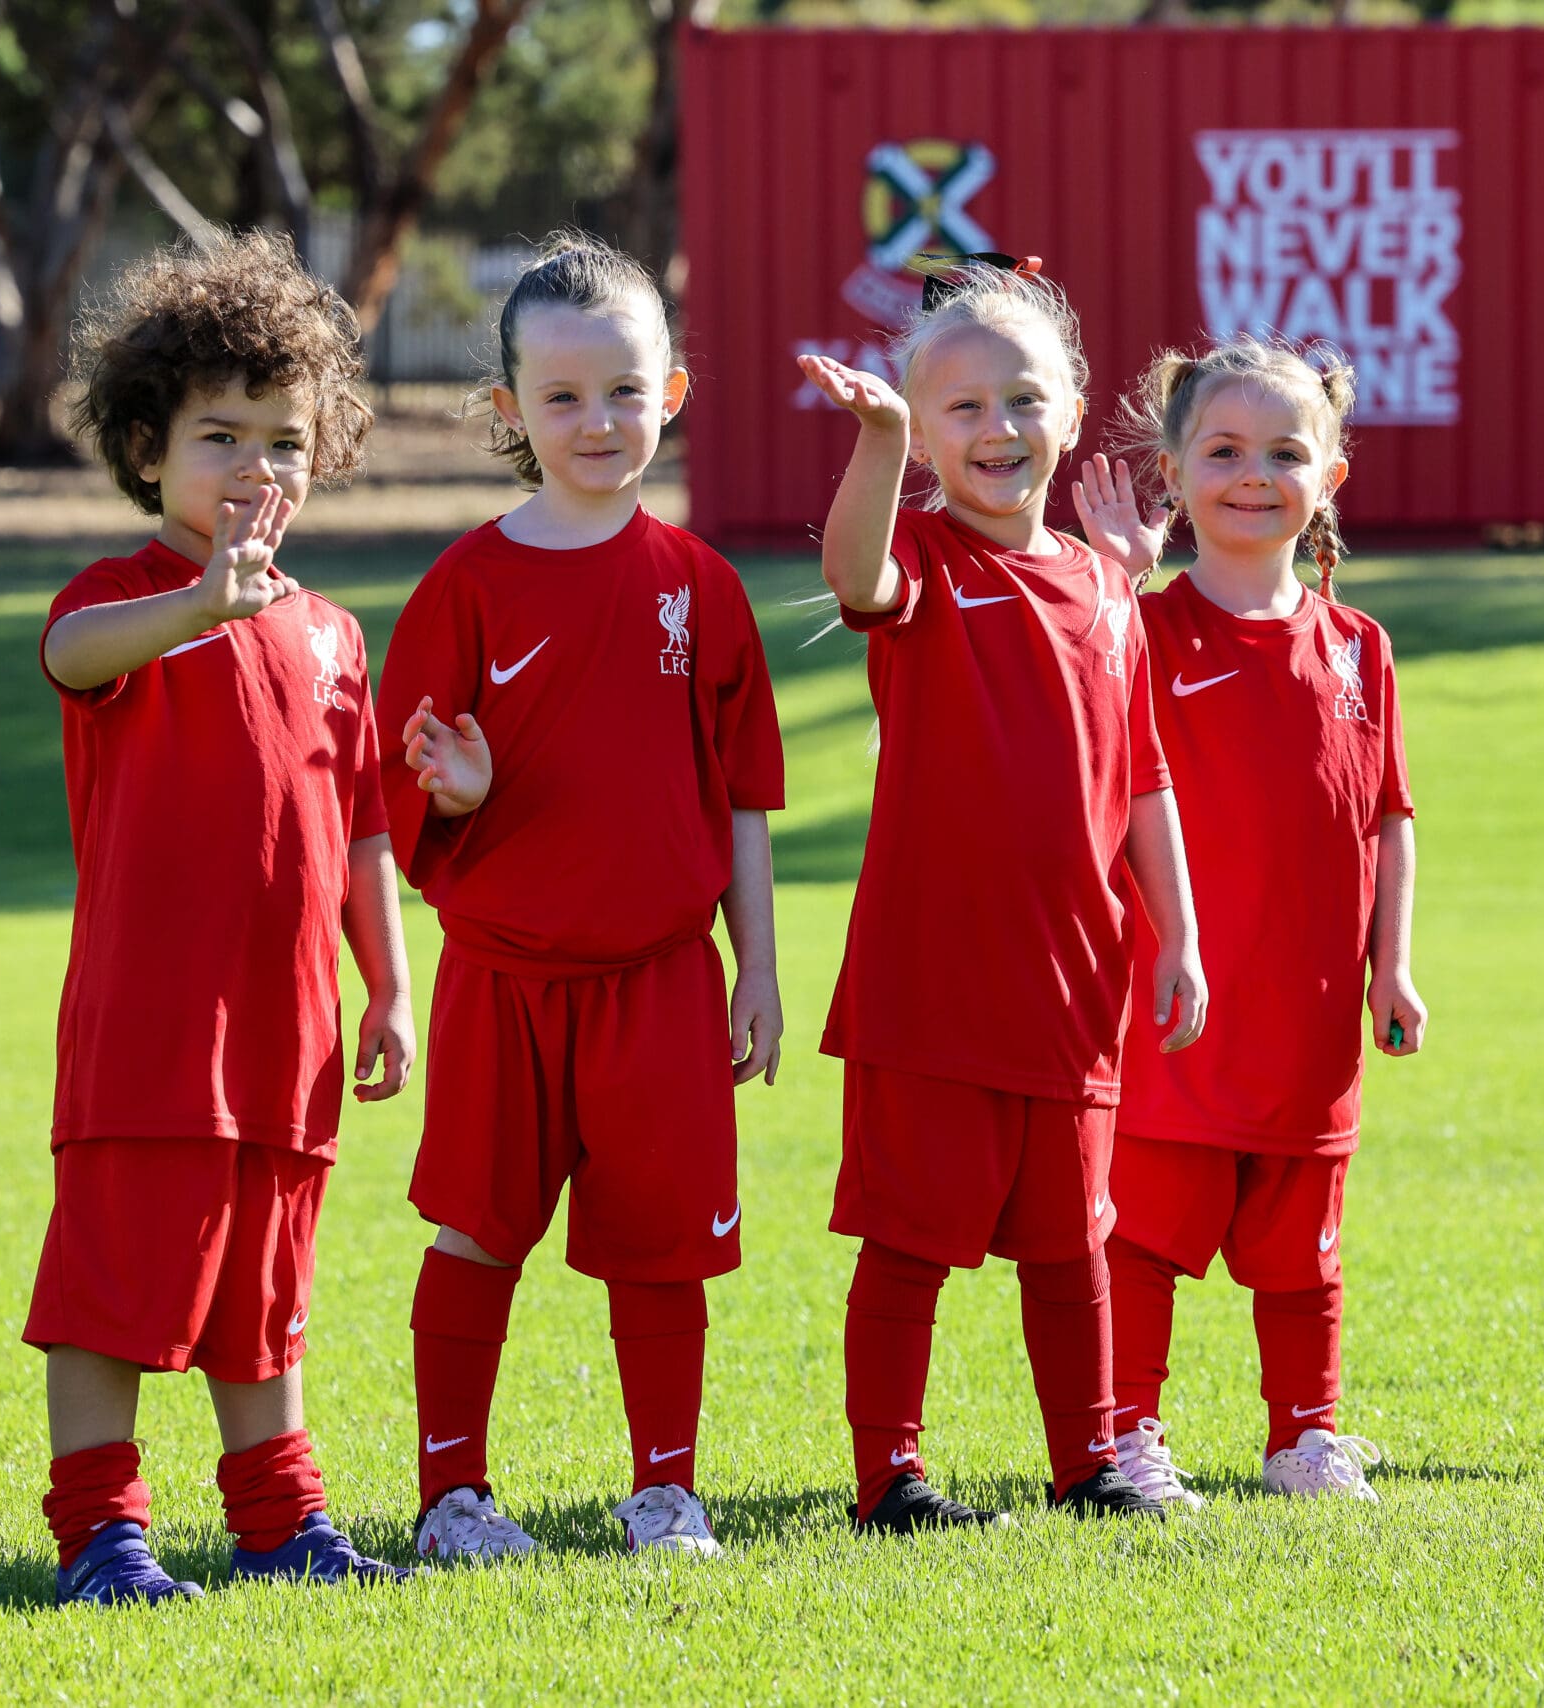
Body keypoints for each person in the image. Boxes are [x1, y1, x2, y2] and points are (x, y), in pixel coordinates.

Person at [383, 232, 784, 1562]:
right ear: (510, 414)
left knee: (665, 1251)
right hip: (504, 977)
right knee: (478, 1232)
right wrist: (456, 793)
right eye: (561, 397)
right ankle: (453, 1498)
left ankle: (666, 1492)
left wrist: (759, 969)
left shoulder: (700, 585)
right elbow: (403, 792)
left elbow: (740, 797)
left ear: (672, 392)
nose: (596, 421)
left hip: (663, 980)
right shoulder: (466, 587)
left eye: (624, 390)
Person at [28, 231, 413, 1603]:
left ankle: (280, 1523)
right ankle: (102, 1537)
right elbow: (70, 659)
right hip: (152, 1031)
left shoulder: (332, 632)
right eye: (220, 437)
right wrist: (200, 603)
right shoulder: (126, 600)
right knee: (117, 1289)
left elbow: (363, 824)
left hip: (288, 1036)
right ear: (146, 449)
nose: (258, 467)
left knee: (267, 1298)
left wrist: (391, 988)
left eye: (287, 440)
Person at [798, 258, 1207, 1533]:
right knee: (910, 1243)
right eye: (961, 410)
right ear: (925, 431)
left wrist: (1177, 937)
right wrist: (870, 447)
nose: (998, 431)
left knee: (1073, 1242)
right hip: (932, 982)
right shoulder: (918, 553)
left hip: (1073, 982)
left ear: (1074, 412)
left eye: (1024, 401)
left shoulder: (1103, 587)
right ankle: (890, 1478)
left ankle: (1086, 1463)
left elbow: (1141, 776)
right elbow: (853, 574)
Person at [1067, 335, 1419, 1509]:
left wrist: (1394, 968)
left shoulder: (1359, 646)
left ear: (1330, 474)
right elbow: (1087, 731)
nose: (1253, 473)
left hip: (1310, 1013)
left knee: (1303, 1247)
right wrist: (1116, 580)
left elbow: (1386, 823)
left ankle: (1304, 1435)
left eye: (1284, 450)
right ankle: (1128, 1432)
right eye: (1222, 450)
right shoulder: (1144, 632)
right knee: (1147, 1237)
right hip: (1174, 1011)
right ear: (1172, 471)